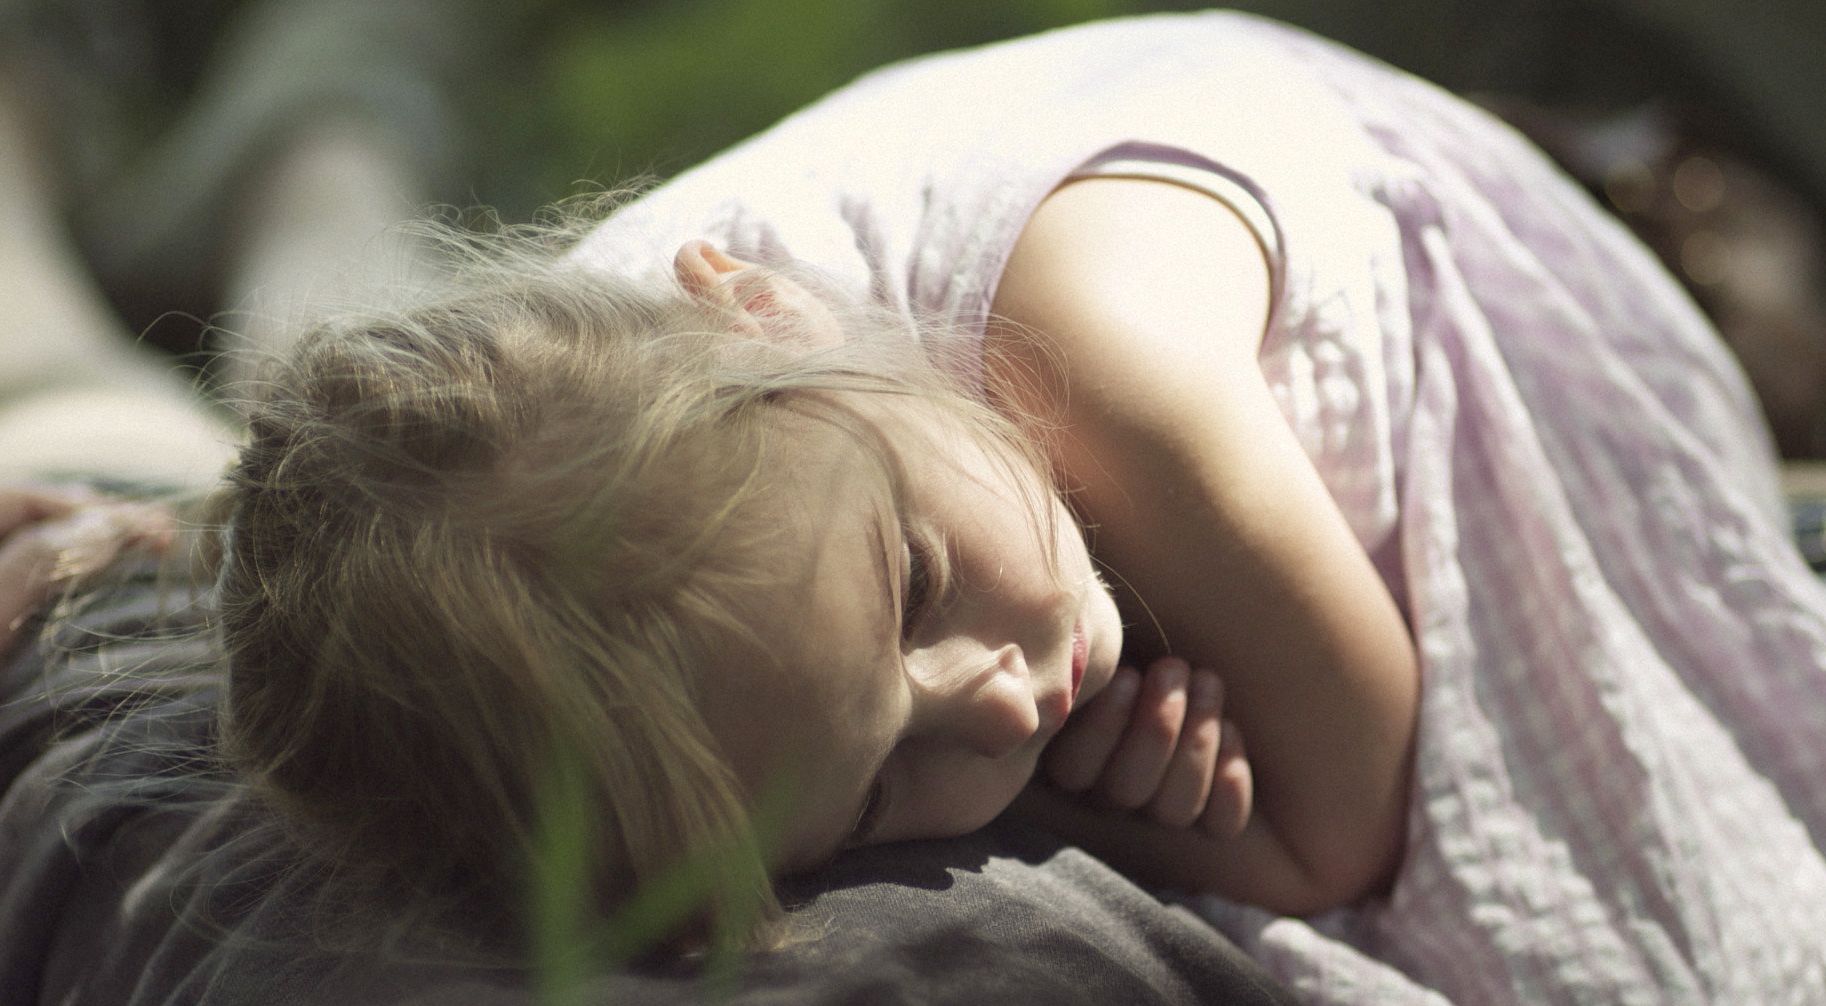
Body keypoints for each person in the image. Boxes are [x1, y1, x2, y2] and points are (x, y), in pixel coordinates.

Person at [7, 9, 1826, 1004]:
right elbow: (369, 478)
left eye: (913, 586)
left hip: (1392, 197)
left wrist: (1203, 834)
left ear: (766, 307)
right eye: (881, 784)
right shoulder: (712, 452)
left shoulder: (1104, 354)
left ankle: (299, 86)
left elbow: (1340, 816)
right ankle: (321, 120)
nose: (1003, 696)